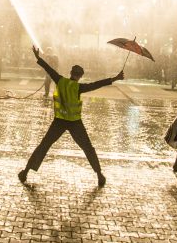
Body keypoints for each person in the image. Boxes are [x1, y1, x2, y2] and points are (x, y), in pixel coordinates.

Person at [19, 46, 124, 187]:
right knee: (88, 148)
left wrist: (38, 58)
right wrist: (115, 78)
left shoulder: (60, 81)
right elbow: (97, 84)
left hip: (59, 122)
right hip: (75, 123)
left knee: (44, 145)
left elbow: (49, 70)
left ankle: (25, 172)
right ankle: (99, 175)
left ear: (71, 73)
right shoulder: (79, 87)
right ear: (80, 76)